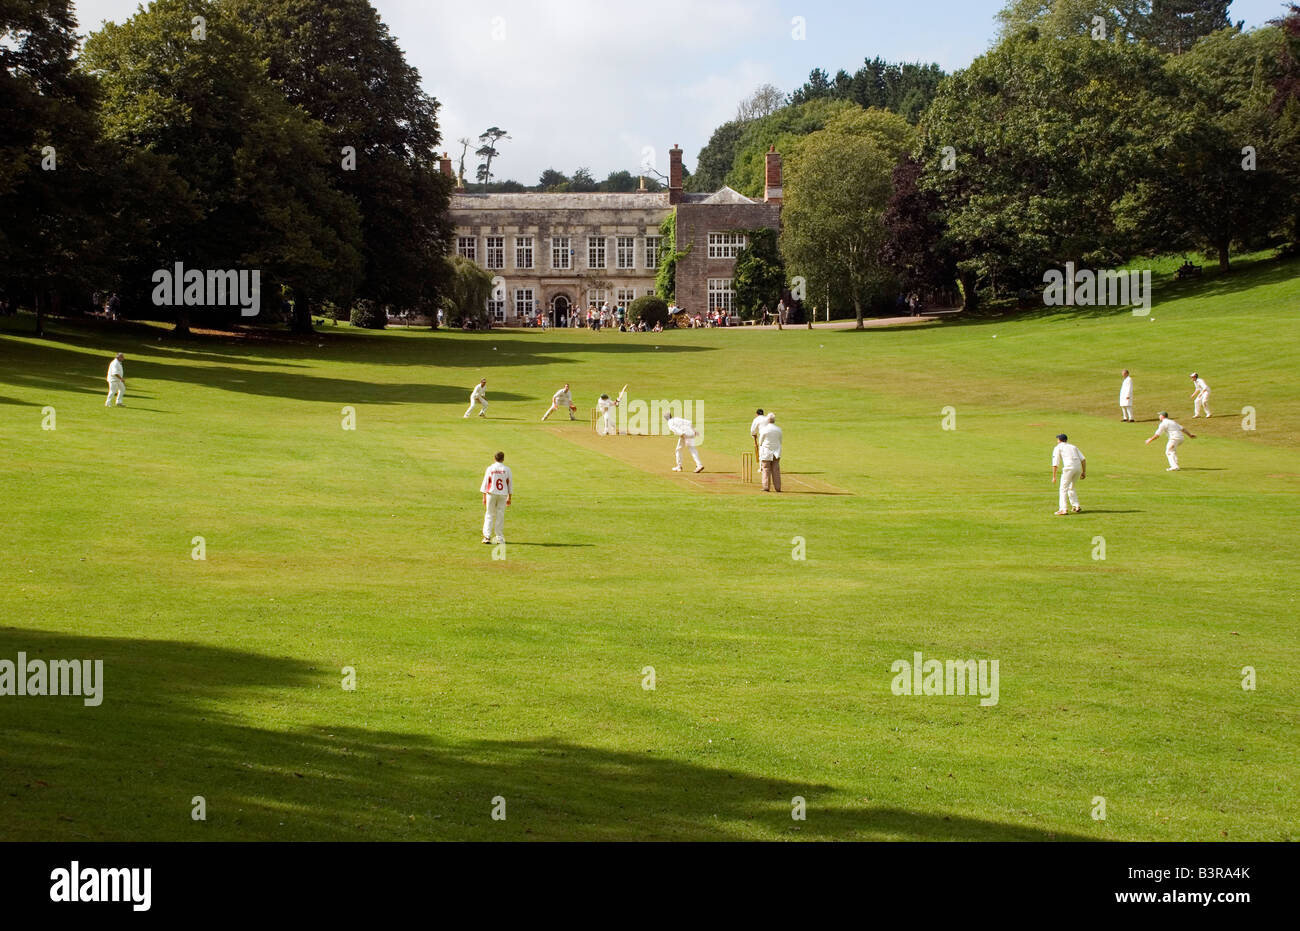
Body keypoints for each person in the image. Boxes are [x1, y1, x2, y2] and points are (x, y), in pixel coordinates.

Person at [480, 451, 512, 544]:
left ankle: (487, 536)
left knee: (489, 514)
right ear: (503, 459)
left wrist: (484, 496)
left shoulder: (490, 468)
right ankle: (499, 537)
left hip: (491, 493)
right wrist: (510, 497)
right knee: (500, 515)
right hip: (503, 494)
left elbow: (485, 482)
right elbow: (510, 484)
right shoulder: (507, 469)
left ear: (494, 458)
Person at [1050, 433, 1086, 515]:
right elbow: (1083, 459)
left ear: (1059, 440)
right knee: (1071, 487)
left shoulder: (1058, 448)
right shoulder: (1073, 447)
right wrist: (1084, 472)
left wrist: (1054, 476)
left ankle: (1063, 509)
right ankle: (1076, 506)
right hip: (1078, 468)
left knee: (1063, 489)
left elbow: (1055, 463)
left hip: (1069, 468)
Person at [757, 413, 783, 492]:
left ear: (767, 420)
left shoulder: (764, 429)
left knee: (766, 469)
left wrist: (761, 446)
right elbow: (780, 441)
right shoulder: (778, 429)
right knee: (776, 470)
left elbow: (760, 441)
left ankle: (766, 487)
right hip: (776, 452)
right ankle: (778, 488)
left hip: (766, 452)